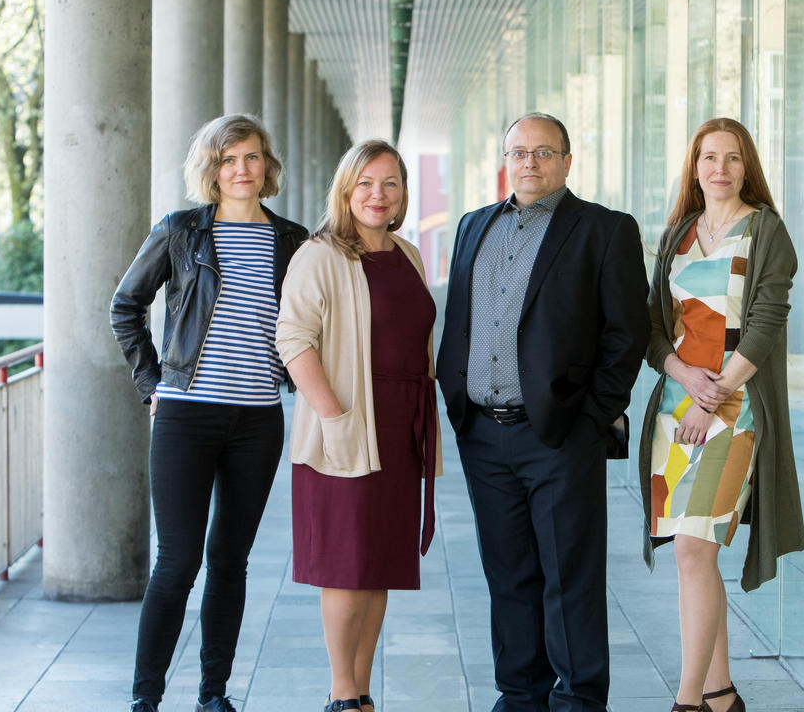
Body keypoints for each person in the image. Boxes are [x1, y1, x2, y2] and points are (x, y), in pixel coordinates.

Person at [436, 112, 649, 712]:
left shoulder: (605, 230)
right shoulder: (473, 226)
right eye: (519, 151)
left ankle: (579, 696)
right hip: (483, 434)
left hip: (560, 436)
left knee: (570, 577)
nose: (529, 162)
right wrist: (458, 408)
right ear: (505, 159)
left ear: (567, 161)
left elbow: (626, 335)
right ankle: (520, 693)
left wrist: (590, 421)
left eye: (544, 152)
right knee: (508, 575)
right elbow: (461, 318)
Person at [109, 113, 308, 712]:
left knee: (230, 562)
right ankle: (145, 698)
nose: (240, 169)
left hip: (258, 420)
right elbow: (126, 306)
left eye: (249, 157)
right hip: (185, 416)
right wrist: (154, 387)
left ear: (265, 165)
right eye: (227, 160)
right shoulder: (181, 231)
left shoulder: (292, 239)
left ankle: (213, 694)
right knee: (176, 562)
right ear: (211, 170)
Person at [638, 117, 802, 712]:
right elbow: (654, 330)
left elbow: (764, 325)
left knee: (694, 548)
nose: (720, 169)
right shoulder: (680, 234)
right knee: (693, 553)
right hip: (674, 411)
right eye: (709, 157)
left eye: (732, 158)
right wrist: (683, 378)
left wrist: (715, 397)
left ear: (747, 166)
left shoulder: (766, 232)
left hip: (736, 410)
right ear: (695, 167)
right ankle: (721, 694)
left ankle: (686, 702)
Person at [275, 139, 440, 712]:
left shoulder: (408, 254)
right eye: (365, 183)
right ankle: (342, 694)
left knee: (381, 563)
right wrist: (335, 417)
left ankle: (362, 690)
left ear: (402, 195)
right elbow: (294, 341)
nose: (378, 194)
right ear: (346, 191)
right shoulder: (319, 255)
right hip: (347, 424)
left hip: (402, 427)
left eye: (390, 183)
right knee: (347, 565)